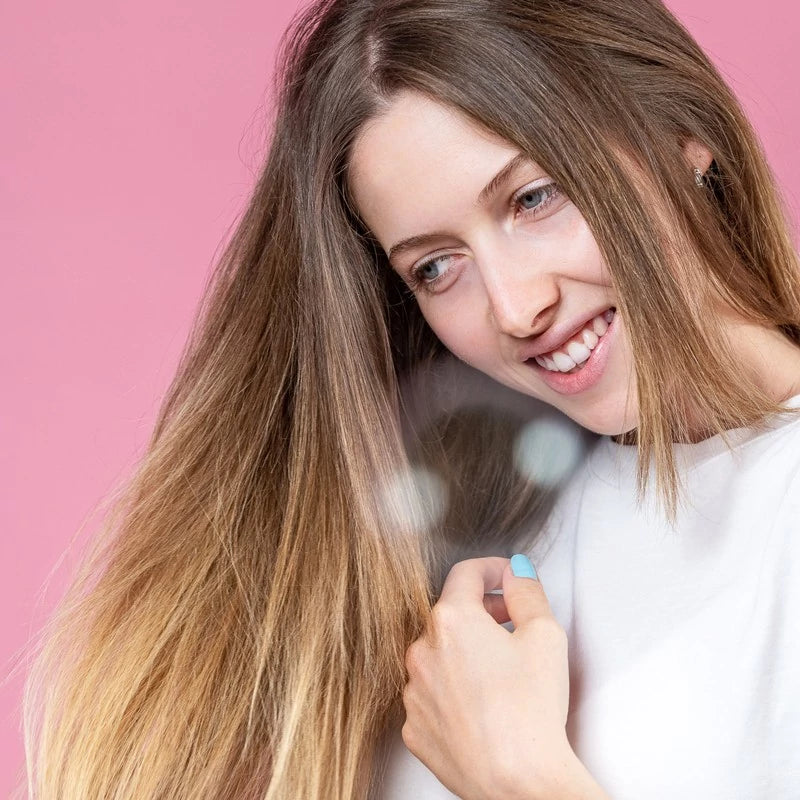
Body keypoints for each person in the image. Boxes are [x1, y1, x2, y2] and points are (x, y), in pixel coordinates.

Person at [21, 0, 800, 798]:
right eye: (435, 266)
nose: (514, 306)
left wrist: (518, 781)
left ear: (683, 139)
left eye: (533, 198)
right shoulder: (452, 548)